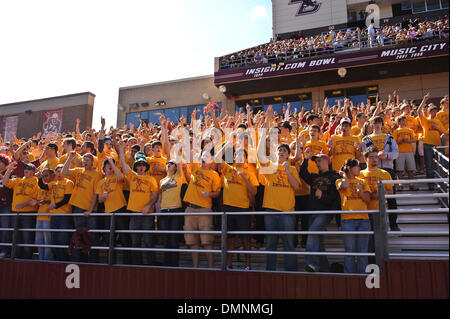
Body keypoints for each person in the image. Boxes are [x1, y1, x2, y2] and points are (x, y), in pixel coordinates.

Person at [258, 140, 301, 272]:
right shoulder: (270, 166)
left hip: (287, 211)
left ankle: (290, 270)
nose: (281, 152)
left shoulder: (292, 169)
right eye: (279, 150)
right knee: (271, 243)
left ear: (288, 155)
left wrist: (287, 171)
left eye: (284, 151)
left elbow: (297, 186)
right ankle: (270, 270)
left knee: (288, 242)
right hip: (271, 209)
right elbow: (260, 156)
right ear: (276, 153)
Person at [215, 143, 259, 270]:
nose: (240, 156)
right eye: (237, 154)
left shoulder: (249, 173)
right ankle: (229, 264)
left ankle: (248, 265)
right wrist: (225, 147)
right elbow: (217, 158)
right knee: (230, 238)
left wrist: (244, 178)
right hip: (228, 208)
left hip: (243, 208)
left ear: (246, 159)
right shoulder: (228, 168)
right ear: (234, 157)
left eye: (242, 155)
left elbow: (254, 192)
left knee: (245, 238)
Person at [118, 143, 158, 266]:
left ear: (146, 167)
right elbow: (123, 165)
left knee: (148, 242)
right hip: (134, 214)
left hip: (147, 214)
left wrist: (148, 205)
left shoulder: (151, 179)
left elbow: (155, 196)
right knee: (135, 242)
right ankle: (137, 265)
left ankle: (150, 264)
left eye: (142, 165)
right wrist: (120, 150)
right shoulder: (132, 176)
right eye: (139, 165)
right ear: (136, 167)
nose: (141, 167)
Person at [300, 151, 340, 272]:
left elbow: (335, 198)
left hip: (325, 212)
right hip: (312, 212)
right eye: (316, 161)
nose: (317, 163)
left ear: (327, 161)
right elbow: (302, 173)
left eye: (319, 160)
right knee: (319, 241)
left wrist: (322, 196)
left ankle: (311, 263)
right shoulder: (314, 177)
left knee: (312, 232)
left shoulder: (334, 177)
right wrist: (306, 159)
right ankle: (325, 269)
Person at [182, 151, 221, 268]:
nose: (204, 158)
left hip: (205, 209)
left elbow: (217, 193)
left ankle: (211, 268)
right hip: (190, 208)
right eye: (203, 156)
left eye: (207, 157)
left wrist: (209, 194)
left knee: (207, 242)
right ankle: (195, 268)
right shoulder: (195, 168)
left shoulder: (214, 174)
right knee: (193, 242)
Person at [62, 151, 102, 263]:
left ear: (93, 162)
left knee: (92, 235)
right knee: (79, 236)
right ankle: (80, 259)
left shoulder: (97, 175)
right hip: (78, 207)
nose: (85, 162)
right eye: (84, 160)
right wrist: (70, 158)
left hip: (90, 209)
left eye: (87, 160)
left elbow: (96, 194)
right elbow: (64, 171)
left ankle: (94, 260)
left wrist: (90, 209)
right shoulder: (78, 171)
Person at [362, 116, 400, 231]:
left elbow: (396, 152)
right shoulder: (366, 139)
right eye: (375, 123)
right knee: (373, 197)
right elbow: (365, 154)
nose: (377, 125)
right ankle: (372, 224)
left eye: (379, 123)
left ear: (382, 125)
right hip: (373, 170)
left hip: (387, 170)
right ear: (372, 125)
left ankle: (393, 224)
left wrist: (387, 155)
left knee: (391, 198)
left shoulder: (389, 137)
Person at [336, 158, 371, 274]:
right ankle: (349, 277)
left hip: (363, 220)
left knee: (362, 252)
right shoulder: (339, 181)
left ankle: (362, 275)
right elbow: (344, 186)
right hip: (348, 220)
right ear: (350, 169)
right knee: (349, 251)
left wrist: (360, 192)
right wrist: (345, 175)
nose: (360, 168)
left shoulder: (363, 182)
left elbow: (368, 200)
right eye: (357, 166)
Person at [359, 147, 394, 264]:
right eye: (371, 157)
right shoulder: (359, 174)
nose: (375, 159)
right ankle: (368, 265)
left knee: (379, 241)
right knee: (366, 242)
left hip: (379, 212)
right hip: (363, 212)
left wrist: (382, 193)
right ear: (365, 159)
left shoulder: (385, 173)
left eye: (376, 157)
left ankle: (380, 265)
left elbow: (391, 193)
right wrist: (371, 195)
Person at [96, 157, 129, 265]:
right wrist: (103, 197)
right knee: (110, 238)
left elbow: (121, 178)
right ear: (104, 168)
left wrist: (112, 163)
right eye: (108, 165)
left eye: (112, 165)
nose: (110, 166)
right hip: (108, 212)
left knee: (124, 237)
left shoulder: (116, 176)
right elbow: (99, 200)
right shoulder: (100, 182)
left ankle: (127, 262)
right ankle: (110, 262)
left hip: (120, 208)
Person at [2, 162, 39, 259]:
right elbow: (5, 182)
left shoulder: (36, 181)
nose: (26, 169)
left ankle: (27, 259)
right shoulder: (18, 180)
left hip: (29, 213)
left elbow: (35, 201)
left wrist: (23, 204)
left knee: (27, 236)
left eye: (29, 168)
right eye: (25, 168)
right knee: (16, 237)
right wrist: (9, 170)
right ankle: (17, 257)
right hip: (15, 212)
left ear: (34, 172)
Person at [39, 164, 74, 261]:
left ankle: (64, 260)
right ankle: (59, 260)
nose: (60, 173)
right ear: (55, 173)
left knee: (62, 239)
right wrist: (40, 177)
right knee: (54, 240)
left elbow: (67, 199)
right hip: (54, 215)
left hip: (64, 215)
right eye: (58, 171)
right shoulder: (53, 183)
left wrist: (55, 205)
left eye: (62, 171)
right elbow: (43, 186)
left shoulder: (68, 182)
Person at [417, 93, 446, 189]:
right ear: (429, 112)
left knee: (440, 165)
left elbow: (444, 133)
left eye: (435, 110)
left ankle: (441, 184)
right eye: (432, 110)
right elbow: (418, 111)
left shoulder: (438, 121)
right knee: (429, 165)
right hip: (428, 145)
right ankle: (431, 184)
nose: (434, 112)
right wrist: (424, 100)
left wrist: (438, 128)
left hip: (438, 145)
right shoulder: (425, 120)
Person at [35, 168, 55, 261]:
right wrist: (38, 202)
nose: (44, 178)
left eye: (46, 175)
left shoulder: (54, 185)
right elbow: (38, 198)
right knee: (39, 241)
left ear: (52, 175)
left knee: (48, 241)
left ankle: (47, 261)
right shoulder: (41, 187)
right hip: (40, 216)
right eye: (43, 176)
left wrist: (46, 201)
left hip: (48, 216)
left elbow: (56, 200)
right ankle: (40, 259)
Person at [392, 116, 417, 189]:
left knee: (410, 169)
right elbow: (394, 142)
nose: (404, 122)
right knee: (399, 170)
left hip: (409, 151)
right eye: (402, 120)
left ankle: (411, 184)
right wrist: (400, 141)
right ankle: (400, 184)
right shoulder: (396, 131)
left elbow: (414, 139)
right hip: (400, 152)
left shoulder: (410, 130)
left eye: (404, 120)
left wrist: (408, 141)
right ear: (398, 122)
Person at [0, 154, 13, 258]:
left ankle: (5, 250)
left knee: (5, 229)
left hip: (6, 206)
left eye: (0, 162)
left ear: (5, 163)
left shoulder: (10, 173)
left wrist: (2, 176)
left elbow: (10, 186)